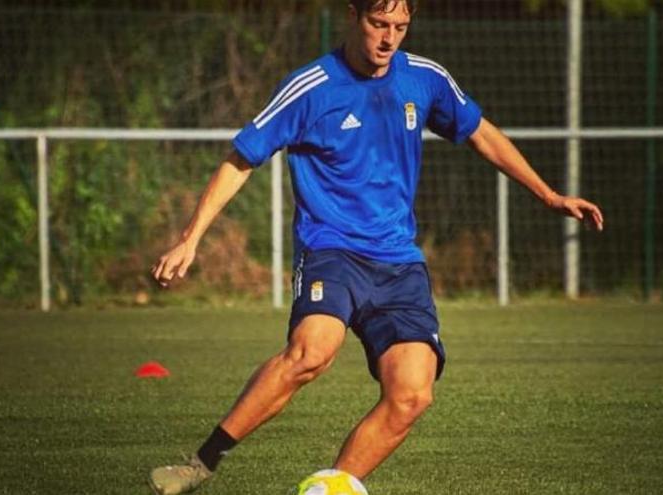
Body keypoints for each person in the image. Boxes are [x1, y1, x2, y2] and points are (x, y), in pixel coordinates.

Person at [148, 0, 604, 493]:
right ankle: (203, 463)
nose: (389, 38)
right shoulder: (312, 87)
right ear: (353, 16)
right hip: (332, 249)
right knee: (312, 351)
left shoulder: (424, 78)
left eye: (401, 27)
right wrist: (191, 240)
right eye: (378, 23)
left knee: (412, 393)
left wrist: (549, 194)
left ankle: (333, 487)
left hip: (398, 261)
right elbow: (241, 160)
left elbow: (482, 133)